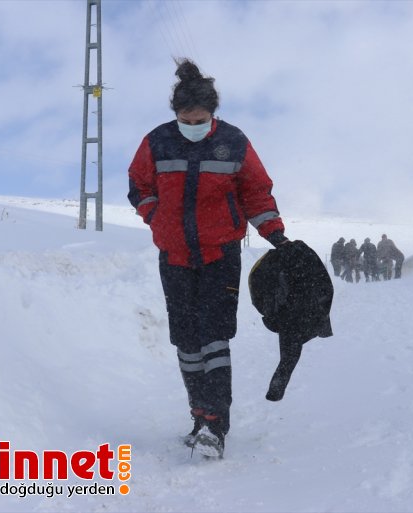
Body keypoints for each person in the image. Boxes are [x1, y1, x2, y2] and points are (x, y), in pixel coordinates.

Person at [127, 59, 288, 459]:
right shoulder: (157, 142)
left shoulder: (233, 142)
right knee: (186, 341)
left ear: (212, 114)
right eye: (186, 117)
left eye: (200, 118)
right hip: (175, 256)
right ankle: (198, 416)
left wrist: (277, 236)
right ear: (176, 114)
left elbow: (256, 193)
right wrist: (155, 215)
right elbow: (138, 185)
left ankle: (216, 426)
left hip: (221, 255)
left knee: (214, 338)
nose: (193, 124)